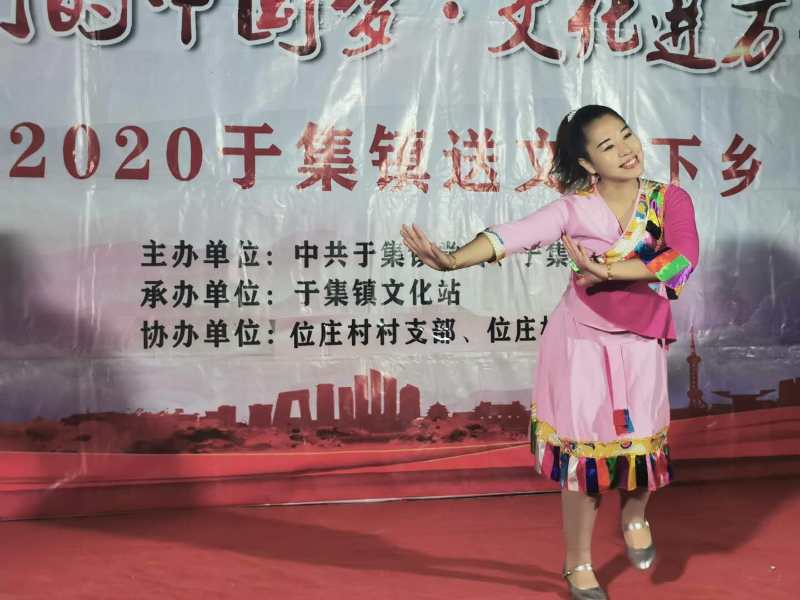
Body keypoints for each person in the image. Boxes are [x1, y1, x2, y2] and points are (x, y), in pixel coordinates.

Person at [400, 104, 699, 600]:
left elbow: (682, 261)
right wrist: (452, 260)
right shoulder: (573, 208)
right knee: (585, 456)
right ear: (586, 163)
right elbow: (513, 235)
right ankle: (577, 562)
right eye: (608, 146)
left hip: (641, 338)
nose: (626, 151)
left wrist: (608, 270)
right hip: (581, 342)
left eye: (627, 136)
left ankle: (634, 516)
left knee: (642, 440)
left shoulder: (668, 199)